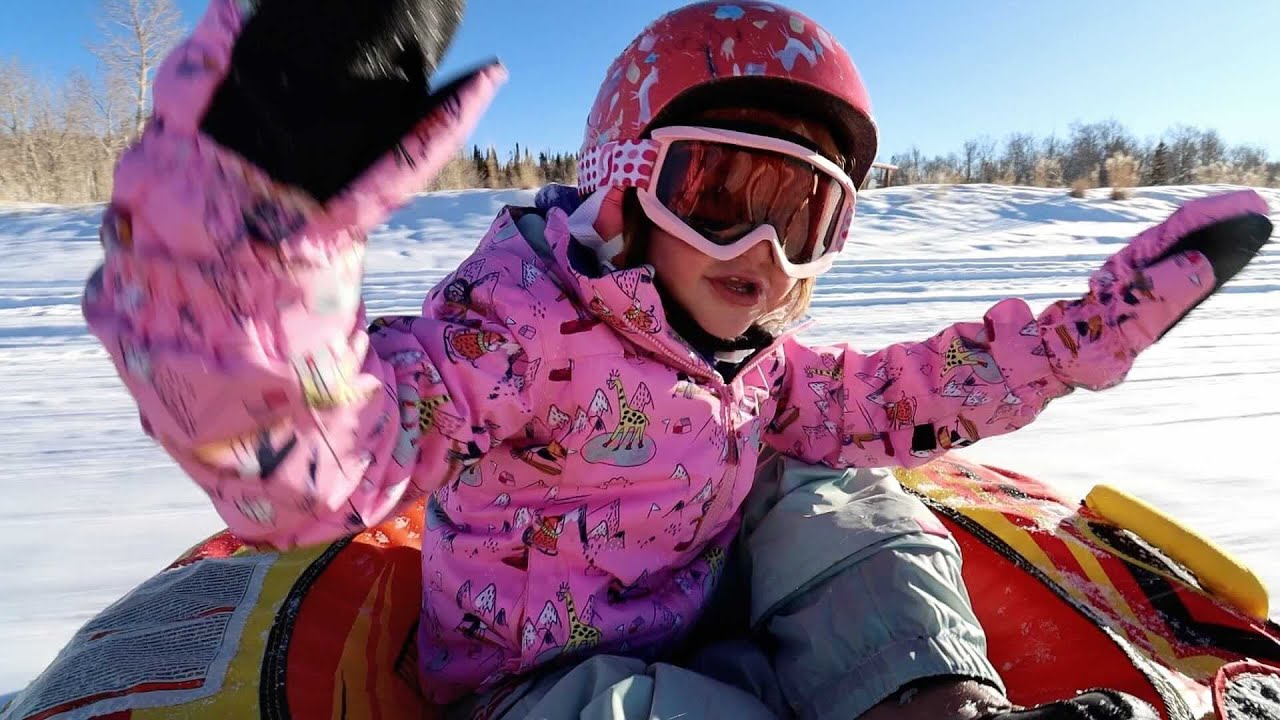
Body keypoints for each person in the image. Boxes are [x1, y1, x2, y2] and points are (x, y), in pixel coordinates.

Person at [81, 0, 1273, 718]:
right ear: (621, 188)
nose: (760, 253)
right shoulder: (504, 335)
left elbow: (921, 391)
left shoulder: (765, 367)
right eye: (717, 193)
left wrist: (1094, 330)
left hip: (714, 615)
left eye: (801, 216)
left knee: (838, 476)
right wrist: (237, 248)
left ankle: (930, 703)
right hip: (542, 676)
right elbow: (321, 464)